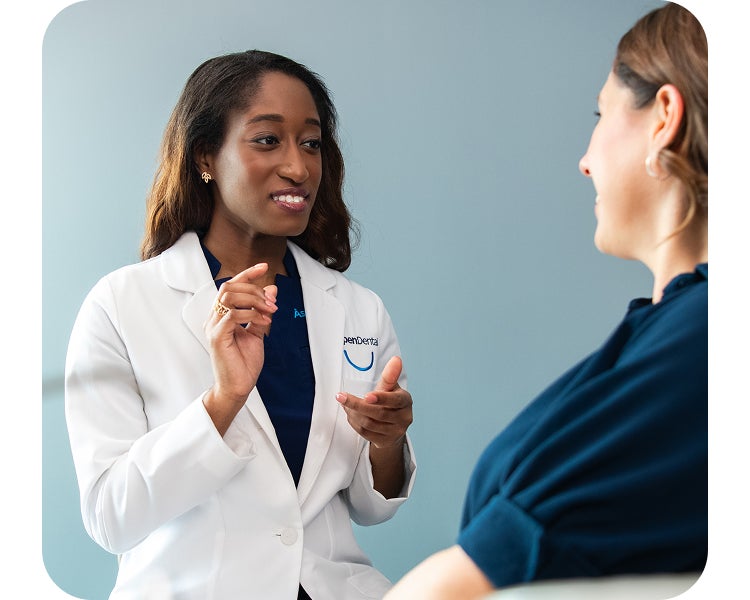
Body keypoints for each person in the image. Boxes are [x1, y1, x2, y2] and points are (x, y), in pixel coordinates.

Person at [65, 50, 416, 600]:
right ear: (206, 156)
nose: (299, 167)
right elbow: (111, 517)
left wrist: (388, 443)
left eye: (311, 142)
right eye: (267, 139)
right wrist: (223, 400)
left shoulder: (357, 309)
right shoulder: (121, 304)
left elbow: (373, 507)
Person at [385, 3, 707, 598]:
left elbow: (468, 578)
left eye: (600, 114)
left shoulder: (707, 336)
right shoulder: (674, 331)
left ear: (664, 116)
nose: (584, 162)